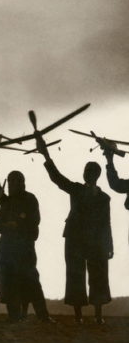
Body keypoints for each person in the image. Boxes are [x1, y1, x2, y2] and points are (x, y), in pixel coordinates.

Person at [37, 136, 113, 324]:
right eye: (86, 171)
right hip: (75, 239)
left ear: (96, 175)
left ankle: (98, 316)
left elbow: (107, 223)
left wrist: (109, 245)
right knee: (75, 274)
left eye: (90, 172)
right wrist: (45, 153)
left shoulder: (105, 198)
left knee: (99, 276)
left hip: (96, 241)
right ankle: (78, 316)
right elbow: (57, 178)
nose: (87, 174)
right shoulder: (76, 189)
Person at [0, 148, 52, 322]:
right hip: (6, 248)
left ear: (22, 183)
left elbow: (34, 221)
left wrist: (18, 225)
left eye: (15, 181)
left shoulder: (30, 199)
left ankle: (43, 316)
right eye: (9, 182)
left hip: (24, 247)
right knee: (8, 282)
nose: (12, 185)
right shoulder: (5, 201)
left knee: (31, 281)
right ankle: (14, 316)